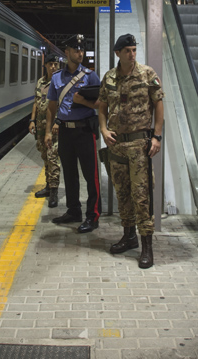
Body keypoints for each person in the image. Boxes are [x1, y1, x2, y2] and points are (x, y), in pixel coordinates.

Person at [98, 34, 164, 269]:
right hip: (116, 145)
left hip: (139, 145)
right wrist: (104, 129)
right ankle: (129, 236)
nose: (132, 54)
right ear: (118, 53)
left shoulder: (147, 74)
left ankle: (147, 246)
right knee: (122, 193)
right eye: (127, 50)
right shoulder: (109, 78)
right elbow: (102, 106)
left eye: (134, 50)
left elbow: (158, 103)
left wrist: (156, 136)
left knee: (141, 196)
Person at [45, 34, 101, 233]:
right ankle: (73, 210)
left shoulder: (90, 76)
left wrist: (82, 102)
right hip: (65, 133)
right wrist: (48, 132)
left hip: (85, 131)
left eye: (82, 50)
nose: (80, 53)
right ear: (67, 52)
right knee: (69, 174)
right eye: (76, 50)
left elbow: (101, 104)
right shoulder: (57, 78)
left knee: (90, 175)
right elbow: (51, 106)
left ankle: (93, 216)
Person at [30, 56, 61, 208]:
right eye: (51, 64)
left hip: (53, 126)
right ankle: (48, 185)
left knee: (52, 156)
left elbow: (63, 105)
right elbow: (36, 102)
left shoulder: (61, 82)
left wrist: (57, 122)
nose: (54, 67)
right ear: (46, 66)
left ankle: (54, 190)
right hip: (41, 126)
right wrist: (32, 120)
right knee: (44, 154)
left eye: (56, 64)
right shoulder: (41, 82)